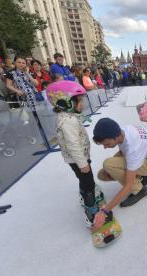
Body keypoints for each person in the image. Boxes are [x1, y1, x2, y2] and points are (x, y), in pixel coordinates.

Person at [46, 80, 109, 228]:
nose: (82, 104)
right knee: (88, 182)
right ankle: (91, 211)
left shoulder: (68, 116)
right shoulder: (67, 121)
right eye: (79, 101)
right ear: (65, 102)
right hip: (78, 159)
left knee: (84, 179)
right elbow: (73, 144)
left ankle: (85, 194)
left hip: (78, 158)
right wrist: (82, 163)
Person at [92, 118, 147, 224]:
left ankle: (140, 190)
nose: (105, 147)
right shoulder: (121, 130)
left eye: (107, 144)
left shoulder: (134, 148)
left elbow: (128, 185)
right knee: (102, 174)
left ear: (116, 136)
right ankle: (141, 175)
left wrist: (104, 211)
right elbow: (124, 150)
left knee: (108, 165)